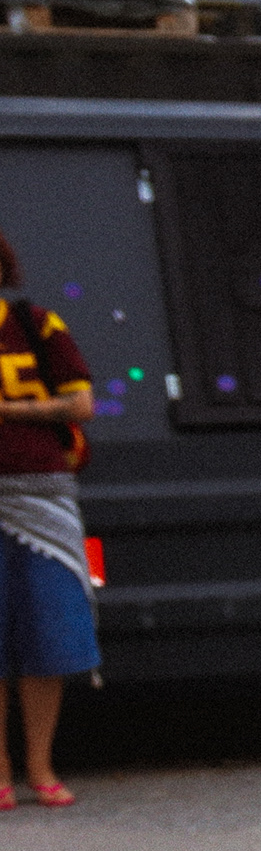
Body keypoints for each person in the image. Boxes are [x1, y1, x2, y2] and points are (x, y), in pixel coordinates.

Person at [0, 231, 99, 811]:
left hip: (41, 494)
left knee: (49, 636)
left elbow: (82, 404)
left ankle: (40, 766)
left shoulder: (35, 323)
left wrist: (10, 411)